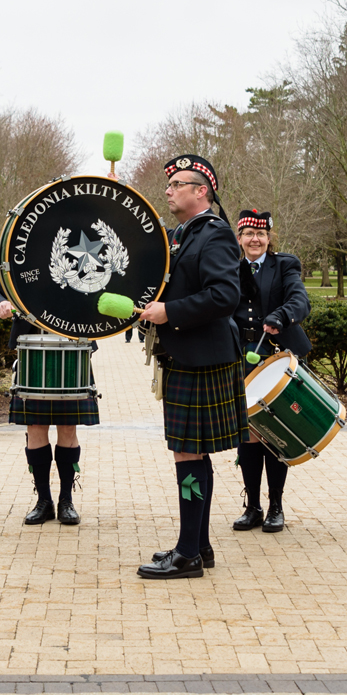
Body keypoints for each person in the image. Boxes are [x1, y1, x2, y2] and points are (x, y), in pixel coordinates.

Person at [137, 154, 244, 579]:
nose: (168, 190)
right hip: (191, 357)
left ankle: (188, 554)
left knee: (188, 453)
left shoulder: (214, 235)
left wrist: (170, 312)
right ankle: (198, 544)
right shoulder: (182, 235)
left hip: (202, 358)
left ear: (202, 191)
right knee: (192, 453)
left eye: (177, 184)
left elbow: (225, 296)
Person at [0, 274, 97, 527]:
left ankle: (66, 500)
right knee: (35, 428)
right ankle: (44, 501)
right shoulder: (22, 255)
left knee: (68, 427)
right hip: (32, 348)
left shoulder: (78, 258)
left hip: (72, 346)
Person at [230, 210, 311, 533]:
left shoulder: (285, 265)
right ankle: (252, 506)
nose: (255, 239)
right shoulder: (230, 268)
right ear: (239, 238)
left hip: (277, 356)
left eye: (260, 234)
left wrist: (282, 315)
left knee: (275, 431)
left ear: (269, 238)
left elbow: (300, 299)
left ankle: (276, 505)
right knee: (248, 432)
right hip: (240, 356)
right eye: (248, 233)